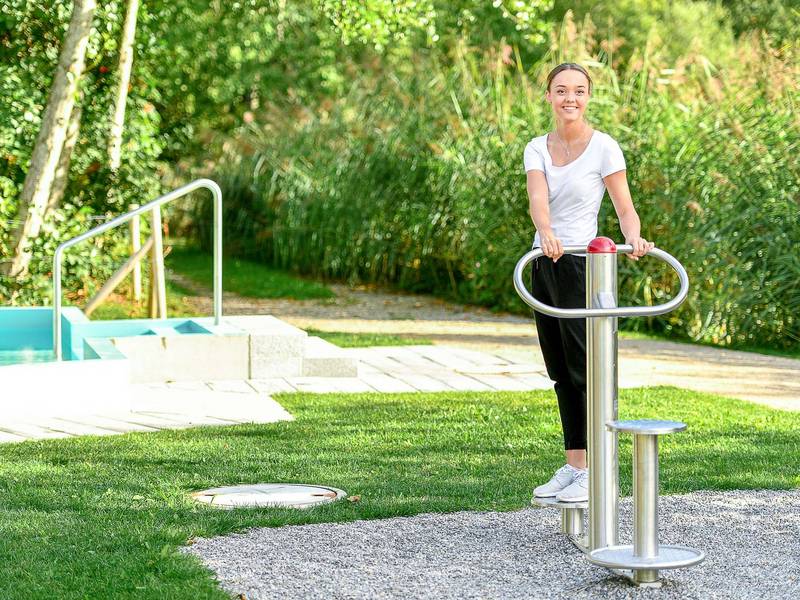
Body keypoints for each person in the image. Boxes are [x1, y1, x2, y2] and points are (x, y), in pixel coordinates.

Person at [524, 63, 653, 503]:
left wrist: (633, 237)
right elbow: (539, 201)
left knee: (585, 370)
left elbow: (624, 207)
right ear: (549, 97)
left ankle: (596, 470)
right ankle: (575, 464)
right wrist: (545, 233)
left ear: (588, 96)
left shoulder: (604, 148)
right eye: (561, 91)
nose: (570, 99)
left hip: (584, 266)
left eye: (578, 91)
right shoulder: (536, 148)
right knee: (560, 372)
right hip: (546, 263)